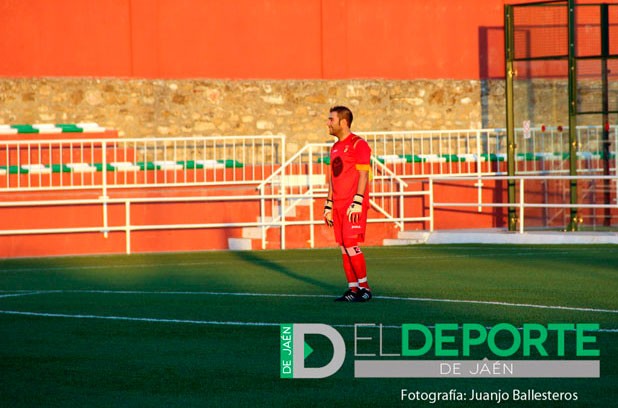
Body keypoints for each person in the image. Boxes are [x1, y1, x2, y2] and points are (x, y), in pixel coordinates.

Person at [323, 106, 372, 302]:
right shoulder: (334, 147)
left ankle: (365, 288)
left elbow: (363, 173)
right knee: (343, 246)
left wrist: (358, 200)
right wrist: (328, 204)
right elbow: (333, 178)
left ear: (343, 122)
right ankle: (352, 289)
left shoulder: (358, 144)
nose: (328, 123)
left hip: (353, 203)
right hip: (338, 205)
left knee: (351, 243)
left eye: (331, 119)